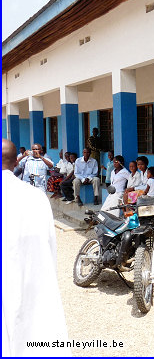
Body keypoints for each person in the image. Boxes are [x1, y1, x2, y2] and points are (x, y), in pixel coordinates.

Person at [2, 139, 71, 356]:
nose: (35, 151)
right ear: (16, 161)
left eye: (37, 149)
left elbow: (52, 168)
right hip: (32, 278)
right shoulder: (36, 198)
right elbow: (49, 245)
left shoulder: (42, 163)